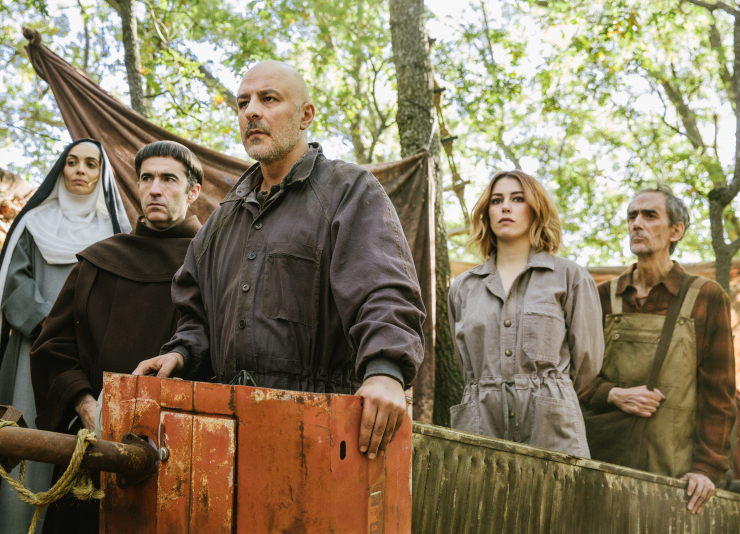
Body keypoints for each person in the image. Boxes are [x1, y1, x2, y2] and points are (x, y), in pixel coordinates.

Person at [133, 61, 425, 459]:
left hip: (325, 432)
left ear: (306, 116)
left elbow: (385, 291)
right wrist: (181, 353)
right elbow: (196, 316)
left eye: (268, 99)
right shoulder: (222, 219)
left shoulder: (349, 190)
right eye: (243, 103)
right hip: (227, 434)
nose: (251, 111)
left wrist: (386, 371)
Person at [29, 140, 202, 533]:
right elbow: (53, 347)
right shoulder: (98, 261)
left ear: (193, 191)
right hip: (95, 447)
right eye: (147, 178)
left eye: (168, 179)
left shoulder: (213, 265)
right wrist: (85, 405)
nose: (154, 189)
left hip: (180, 452)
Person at [0, 139, 131, 534]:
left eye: (91, 164)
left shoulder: (115, 233)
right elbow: (16, 283)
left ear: (102, 175)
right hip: (33, 348)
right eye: (72, 162)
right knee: (26, 436)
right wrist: (50, 328)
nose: (80, 170)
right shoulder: (33, 223)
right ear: (61, 169)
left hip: (88, 355)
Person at [579, 187, 736, 514]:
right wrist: (613, 394)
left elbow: (719, 396)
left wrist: (706, 469)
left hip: (676, 477)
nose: (637, 223)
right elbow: (574, 378)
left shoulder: (706, 297)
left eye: (650, 216)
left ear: (676, 230)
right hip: (603, 465)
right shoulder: (602, 296)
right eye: (632, 216)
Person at [448, 170, 603, 457]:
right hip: (481, 424)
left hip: (552, 427)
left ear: (536, 209)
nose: (505, 207)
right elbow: (465, 363)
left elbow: (587, 364)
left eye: (517, 199)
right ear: (487, 213)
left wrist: (547, 391)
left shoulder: (570, 277)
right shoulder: (463, 287)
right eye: (496, 200)